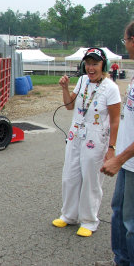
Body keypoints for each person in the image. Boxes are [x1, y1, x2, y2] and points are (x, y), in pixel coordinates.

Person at [52, 47, 121, 237]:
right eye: (88, 64)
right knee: (70, 176)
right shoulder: (82, 81)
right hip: (76, 136)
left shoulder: (111, 88)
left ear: (103, 65)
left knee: (91, 180)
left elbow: (115, 121)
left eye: (95, 64)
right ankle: (69, 215)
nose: (91, 68)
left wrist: (111, 148)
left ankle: (89, 221)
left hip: (96, 139)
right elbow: (69, 106)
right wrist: (65, 89)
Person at [96, 21, 134, 266]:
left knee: (131, 223)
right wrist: (115, 151)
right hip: (127, 160)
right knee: (119, 212)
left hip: (130, 162)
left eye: (125, 40)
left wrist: (119, 158)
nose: (126, 45)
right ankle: (121, 259)